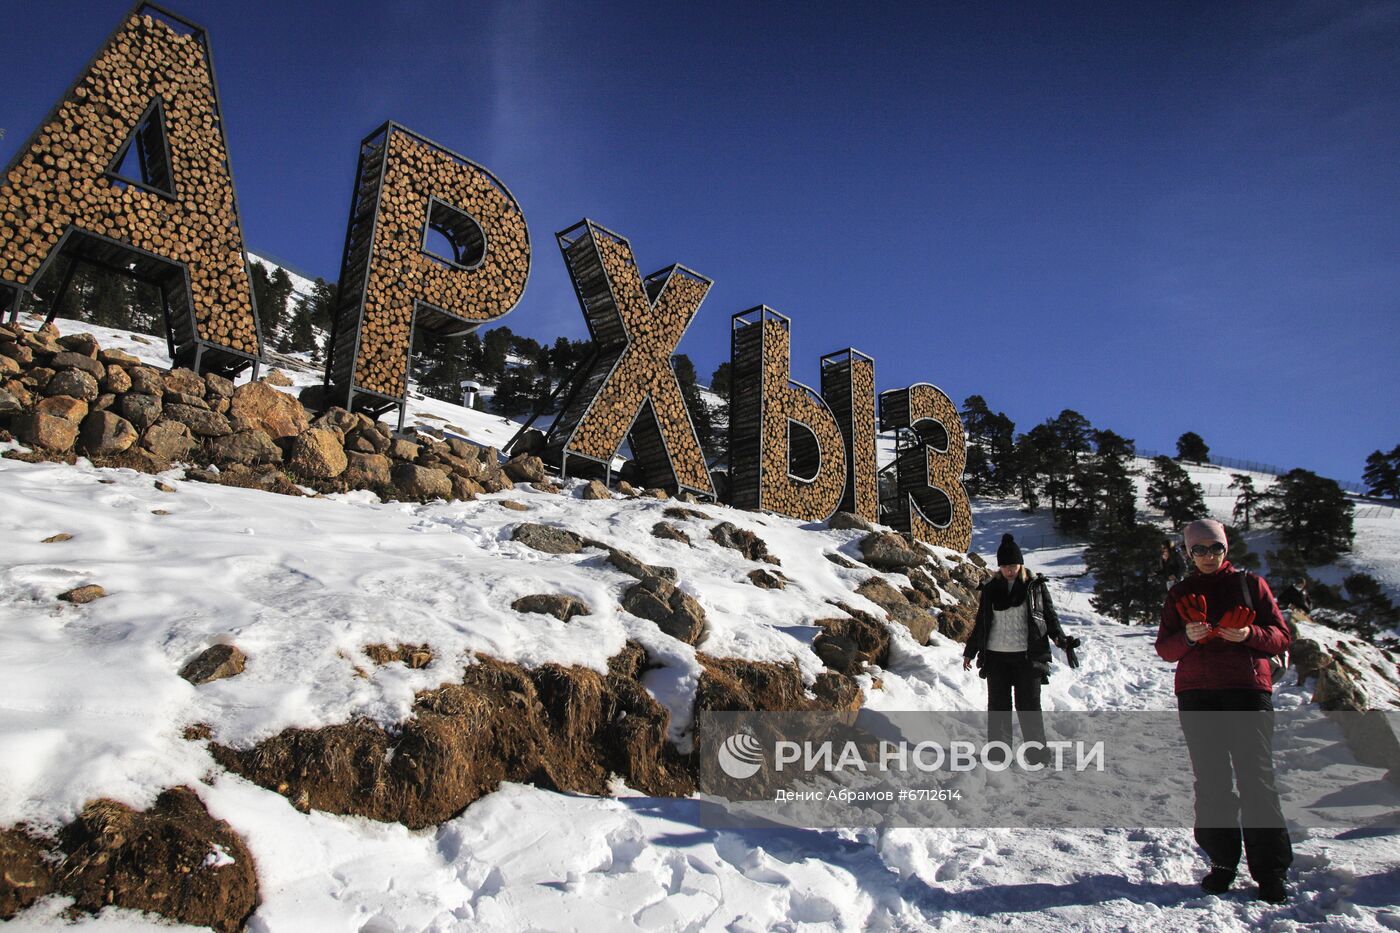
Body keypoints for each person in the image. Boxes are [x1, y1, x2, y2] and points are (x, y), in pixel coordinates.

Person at [1156, 518, 1294, 903]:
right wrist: (1188, 637)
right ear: (1188, 553)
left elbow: (1282, 635)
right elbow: (1165, 649)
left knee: (1257, 781)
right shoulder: (1180, 593)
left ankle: (1270, 870)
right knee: (1212, 782)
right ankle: (1222, 862)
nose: (1207, 556)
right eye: (1199, 549)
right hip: (1197, 695)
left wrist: (1250, 635)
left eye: (1214, 548)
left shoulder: (1250, 585)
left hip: (1247, 691)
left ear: (1225, 549)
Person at [963, 533, 1077, 764]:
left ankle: (1037, 754)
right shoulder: (991, 588)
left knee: (1029, 706)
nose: (1009, 570)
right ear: (999, 567)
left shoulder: (1034, 587)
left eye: (1013, 565)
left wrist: (1062, 641)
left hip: (1028, 656)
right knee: (998, 707)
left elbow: (1049, 617)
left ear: (1021, 564)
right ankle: (998, 754)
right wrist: (970, 651)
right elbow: (982, 622)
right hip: (996, 657)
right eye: (1005, 566)